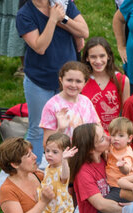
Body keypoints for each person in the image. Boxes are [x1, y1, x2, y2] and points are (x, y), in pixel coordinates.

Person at [18, 0, 89, 162]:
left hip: (68, 81)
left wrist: (62, 18)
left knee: (71, 125)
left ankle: (71, 169)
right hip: (39, 80)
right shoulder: (25, 14)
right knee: (37, 128)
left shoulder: (63, 3)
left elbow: (84, 32)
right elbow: (40, 47)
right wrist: (52, 19)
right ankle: (33, 170)